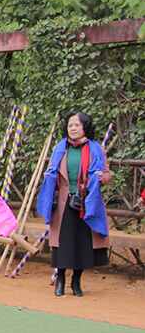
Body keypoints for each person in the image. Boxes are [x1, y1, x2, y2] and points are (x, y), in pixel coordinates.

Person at [36, 111, 110, 297]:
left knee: (83, 244)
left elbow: (107, 174)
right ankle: (60, 279)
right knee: (62, 243)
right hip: (63, 202)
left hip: (87, 202)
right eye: (70, 125)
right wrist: (49, 176)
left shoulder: (96, 149)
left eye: (77, 125)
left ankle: (76, 281)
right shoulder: (60, 148)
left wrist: (102, 178)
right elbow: (52, 170)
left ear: (85, 127)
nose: (73, 128)